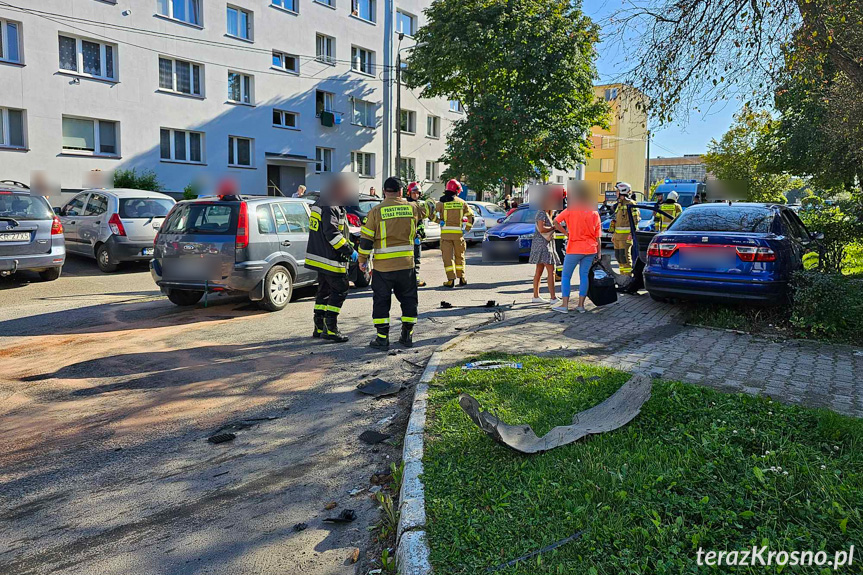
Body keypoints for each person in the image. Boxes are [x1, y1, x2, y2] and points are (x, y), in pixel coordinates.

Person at [358, 177, 424, 349]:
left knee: (381, 301)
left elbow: (365, 241)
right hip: (406, 266)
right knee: (409, 300)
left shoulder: (376, 211)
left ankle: (382, 339)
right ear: (402, 191)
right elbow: (430, 207)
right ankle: (407, 336)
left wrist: (362, 260)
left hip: (383, 268)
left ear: (384, 191)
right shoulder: (412, 208)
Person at [305, 181, 357, 342]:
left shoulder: (321, 203)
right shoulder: (331, 205)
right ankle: (330, 328)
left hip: (319, 257)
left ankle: (319, 327)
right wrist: (349, 251)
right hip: (330, 258)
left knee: (324, 292)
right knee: (340, 289)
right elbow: (332, 234)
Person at [552, 183, 602, 314]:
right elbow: (598, 236)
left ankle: (564, 305)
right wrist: (599, 252)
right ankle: (581, 305)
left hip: (574, 247)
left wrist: (566, 233)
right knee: (584, 276)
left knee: (566, 276)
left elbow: (555, 222)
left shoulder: (570, 210)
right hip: (591, 249)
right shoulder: (594, 213)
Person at [436, 179, 474, 287]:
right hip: (458, 235)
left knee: (448, 258)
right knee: (460, 256)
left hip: (445, 236)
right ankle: (462, 278)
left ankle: (450, 280)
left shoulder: (441, 203)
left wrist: (438, 221)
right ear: (457, 190)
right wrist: (466, 229)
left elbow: (430, 212)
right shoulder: (462, 202)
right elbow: (471, 216)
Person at [528, 192, 560, 304]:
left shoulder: (546, 213)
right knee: (551, 271)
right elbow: (542, 229)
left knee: (539, 271)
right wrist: (553, 227)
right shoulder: (542, 213)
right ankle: (553, 298)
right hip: (544, 246)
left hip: (541, 245)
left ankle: (536, 296)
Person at [406, 182, 435, 287]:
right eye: (414, 193)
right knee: (410, 260)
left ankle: (415, 279)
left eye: (418, 193)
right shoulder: (408, 205)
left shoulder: (418, 204)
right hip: (409, 238)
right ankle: (411, 280)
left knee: (416, 260)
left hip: (416, 237)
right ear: (409, 193)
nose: (416, 195)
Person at [610, 182, 639, 276]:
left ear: (623, 191)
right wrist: (614, 235)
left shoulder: (631, 204)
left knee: (625, 258)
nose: (616, 193)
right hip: (617, 237)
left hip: (626, 236)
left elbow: (635, 220)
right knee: (619, 257)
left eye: (617, 191)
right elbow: (617, 221)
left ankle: (628, 279)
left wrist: (631, 234)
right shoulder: (619, 204)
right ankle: (622, 278)